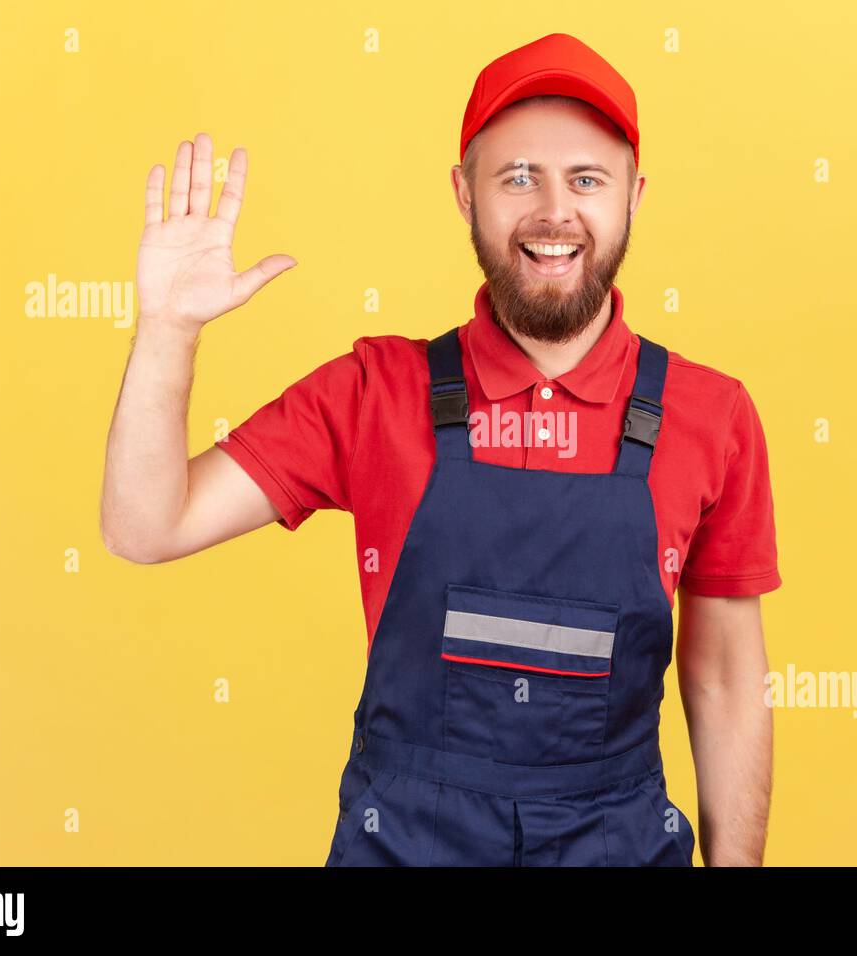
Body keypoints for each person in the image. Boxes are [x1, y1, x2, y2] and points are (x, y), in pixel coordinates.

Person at [101, 33, 781, 866]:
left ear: (634, 195)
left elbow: (723, 685)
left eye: (587, 179)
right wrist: (168, 330)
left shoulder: (712, 416)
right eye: (518, 175)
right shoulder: (373, 392)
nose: (553, 211)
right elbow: (145, 525)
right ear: (465, 194)